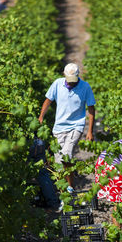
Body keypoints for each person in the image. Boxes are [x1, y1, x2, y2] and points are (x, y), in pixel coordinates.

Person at [38, 63, 96, 194]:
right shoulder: (57, 84)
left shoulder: (85, 87)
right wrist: (41, 116)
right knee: (59, 162)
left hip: (76, 126)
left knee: (67, 155)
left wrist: (90, 131)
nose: (72, 83)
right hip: (59, 127)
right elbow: (48, 100)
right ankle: (65, 190)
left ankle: (70, 187)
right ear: (64, 75)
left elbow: (91, 108)